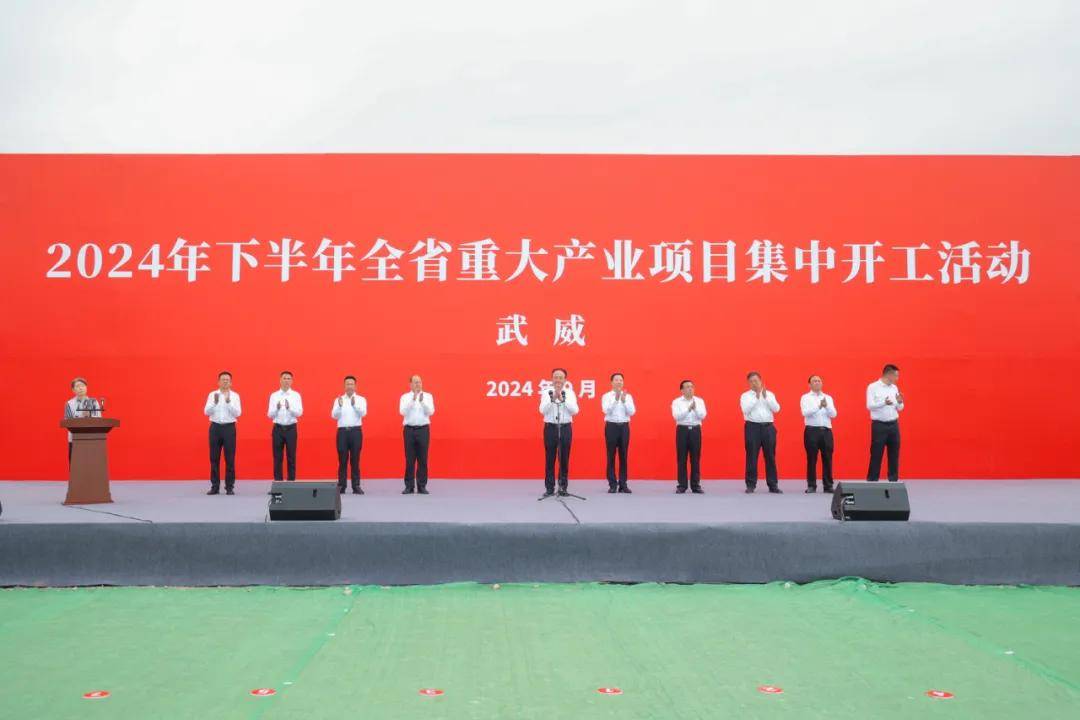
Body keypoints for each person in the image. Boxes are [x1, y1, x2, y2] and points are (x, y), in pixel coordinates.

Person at [539, 368, 579, 496]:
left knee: (564, 458)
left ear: (565, 380)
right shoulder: (546, 392)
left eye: (561, 377)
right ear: (552, 379)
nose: (558, 380)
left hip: (565, 428)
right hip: (550, 428)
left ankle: (563, 487)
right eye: (555, 377)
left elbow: (575, 411)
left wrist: (563, 399)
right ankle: (549, 488)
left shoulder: (570, 393)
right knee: (550, 458)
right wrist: (552, 399)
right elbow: (542, 410)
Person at [740, 372, 781, 494]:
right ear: (749, 383)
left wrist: (766, 397)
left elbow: (776, 409)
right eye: (751, 381)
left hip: (768, 428)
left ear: (761, 381)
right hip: (752, 428)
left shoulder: (769, 394)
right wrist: (756, 397)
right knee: (751, 456)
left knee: (770, 457)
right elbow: (745, 410)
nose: (754, 383)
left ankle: (773, 485)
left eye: (756, 380)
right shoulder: (745, 396)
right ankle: (750, 485)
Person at [203, 371, 241, 495]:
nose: (225, 381)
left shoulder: (235, 396)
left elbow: (238, 413)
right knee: (214, 458)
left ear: (231, 382)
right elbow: (206, 412)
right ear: (218, 382)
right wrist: (214, 403)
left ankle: (229, 487)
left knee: (230, 458)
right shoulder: (212, 395)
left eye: (227, 380)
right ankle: (215, 486)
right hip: (215, 428)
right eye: (223, 379)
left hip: (229, 428)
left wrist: (229, 402)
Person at [866, 363, 904, 482]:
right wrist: (884, 403)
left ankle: (893, 481)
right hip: (879, 426)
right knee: (876, 454)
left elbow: (900, 408)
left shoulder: (894, 388)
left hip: (893, 425)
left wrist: (899, 402)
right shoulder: (873, 387)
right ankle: (872, 481)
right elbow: (869, 406)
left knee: (894, 454)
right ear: (889, 375)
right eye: (896, 376)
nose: (897, 378)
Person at [800, 374, 837, 494]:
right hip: (812, 431)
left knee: (828, 459)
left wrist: (826, 406)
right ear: (809, 384)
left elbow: (833, 414)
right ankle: (811, 485)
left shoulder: (828, 398)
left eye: (819, 381)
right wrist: (819, 406)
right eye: (814, 381)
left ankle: (828, 485)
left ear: (822, 383)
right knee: (811, 459)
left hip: (826, 431)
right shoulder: (805, 397)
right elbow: (805, 412)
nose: (817, 382)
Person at [399, 374, 434, 495]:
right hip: (409, 430)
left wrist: (422, 401)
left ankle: (422, 486)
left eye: (419, 382)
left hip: (423, 430)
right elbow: (402, 411)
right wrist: (413, 400)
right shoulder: (405, 397)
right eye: (415, 382)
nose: (417, 384)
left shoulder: (428, 396)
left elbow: (430, 411)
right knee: (409, 459)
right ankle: (409, 486)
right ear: (410, 384)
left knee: (423, 459)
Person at [600, 372, 635, 493]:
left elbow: (632, 412)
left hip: (624, 427)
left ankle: (623, 484)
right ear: (612, 382)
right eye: (616, 380)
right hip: (611, 426)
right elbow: (606, 410)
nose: (619, 382)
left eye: (621, 380)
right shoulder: (606, 396)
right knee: (611, 455)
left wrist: (624, 401)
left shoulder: (628, 397)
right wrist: (616, 400)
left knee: (623, 456)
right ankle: (612, 484)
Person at [331, 375, 366, 494]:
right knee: (342, 460)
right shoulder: (339, 400)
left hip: (356, 432)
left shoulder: (361, 399)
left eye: (351, 384)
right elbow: (334, 415)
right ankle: (342, 485)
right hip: (342, 433)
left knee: (355, 460)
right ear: (344, 386)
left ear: (355, 386)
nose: (349, 386)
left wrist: (354, 405)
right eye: (347, 384)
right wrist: (340, 406)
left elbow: (363, 413)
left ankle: (356, 486)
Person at [671, 380, 707, 493]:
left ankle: (695, 485)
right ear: (682, 390)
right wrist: (688, 409)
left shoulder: (699, 401)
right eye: (687, 387)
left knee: (695, 459)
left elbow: (703, 416)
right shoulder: (676, 402)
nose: (690, 389)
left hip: (695, 430)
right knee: (682, 458)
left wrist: (695, 408)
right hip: (682, 430)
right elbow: (677, 417)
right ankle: (682, 485)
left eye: (691, 387)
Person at [267, 371, 303, 481]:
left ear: (292, 381)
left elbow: (299, 413)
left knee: (291, 456)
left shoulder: (296, 395)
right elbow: (269, 415)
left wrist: (289, 408)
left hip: (291, 428)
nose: (286, 380)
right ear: (280, 380)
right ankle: (278, 482)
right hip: (278, 429)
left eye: (288, 378)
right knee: (277, 457)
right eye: (284, 378)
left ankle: (291, 482)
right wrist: (276, 408)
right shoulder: (274, 395)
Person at [63, 377, 100, 464]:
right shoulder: (69, 404)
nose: (81, 388)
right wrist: (81, 416)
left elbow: (99, 420)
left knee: (92, 465)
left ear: (86, 388)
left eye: (83, 386)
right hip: (75, 439)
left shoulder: (94, 402)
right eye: (78, 386)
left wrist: (89, 416)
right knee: (75, 466)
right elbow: (68, 422)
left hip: (92, 439)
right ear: (73, 390)